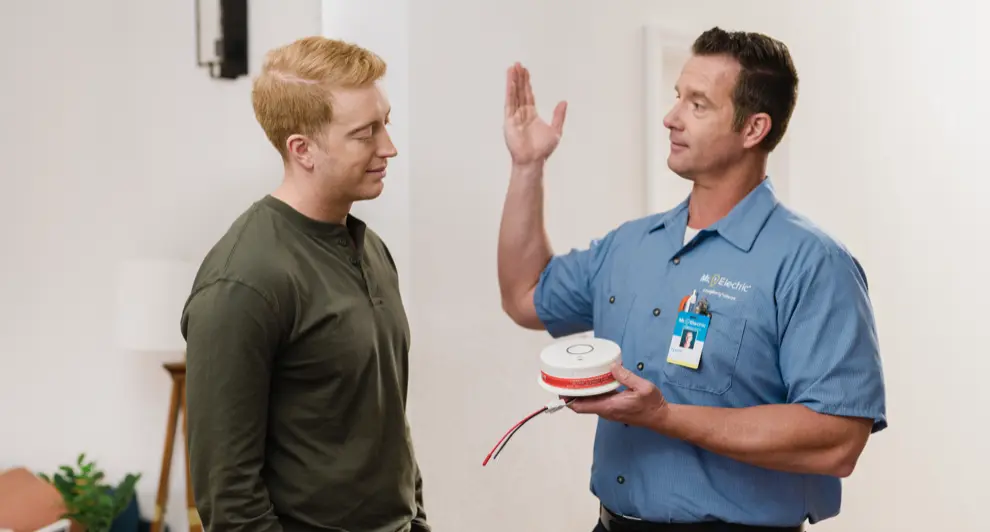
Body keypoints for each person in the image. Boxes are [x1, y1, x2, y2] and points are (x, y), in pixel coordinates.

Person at [497, 27, 886, 531]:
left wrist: (665, 416)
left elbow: (837, 440)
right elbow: (524, 296)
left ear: (754, 129)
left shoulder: (813, 264)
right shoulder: (630, 245)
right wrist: (527, 167)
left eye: (698, 105)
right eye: (677, 96)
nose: (671, 117)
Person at [181, 36, 429, 532]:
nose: (389, 147)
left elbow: (383, 418)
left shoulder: (371, 249)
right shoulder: (244, 280)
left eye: (386, 122)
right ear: (303, 149)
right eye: (365, 133)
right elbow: (228, 500)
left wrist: (416, 517)